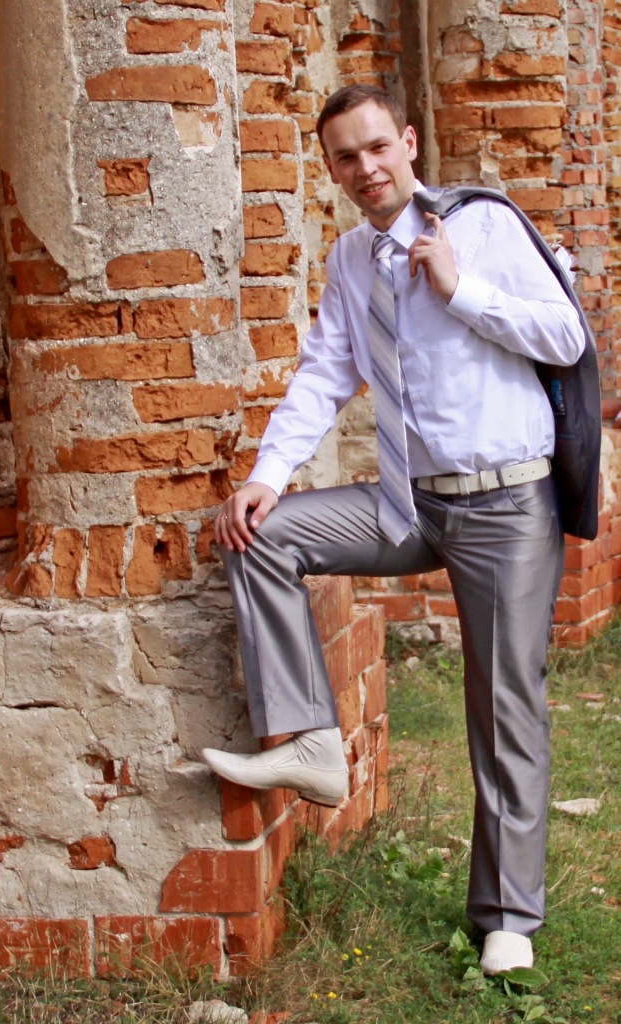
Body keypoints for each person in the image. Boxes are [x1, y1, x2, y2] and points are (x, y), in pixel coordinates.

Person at [202, 84, 586, 975]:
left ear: (408, 142)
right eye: (346, 157)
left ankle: (508, 918)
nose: (366, 167)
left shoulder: (484, 225)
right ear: (331, 170)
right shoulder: (350, 257)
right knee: (263, 535)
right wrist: (265, 477)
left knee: (503, 704)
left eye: (377, 147)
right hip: (408, 503)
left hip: (504, 504)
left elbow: (566, 336)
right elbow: (324, 374)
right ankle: (310, 740)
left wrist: (459, 289)